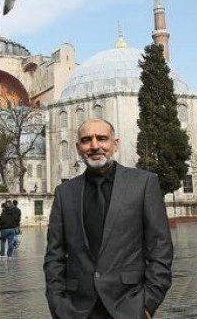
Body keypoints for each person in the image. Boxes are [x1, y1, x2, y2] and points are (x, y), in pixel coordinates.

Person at [44, 118, 173, 319]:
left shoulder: (143, 183)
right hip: (77, 309)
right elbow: (54, 255)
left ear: (115, 144)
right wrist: (58, 304)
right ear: (79, 148)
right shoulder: (65, 193)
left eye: (102, 138)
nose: (95, 146)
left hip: (128, 306)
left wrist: (148, 303)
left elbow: (160, 247)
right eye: (87, 140)